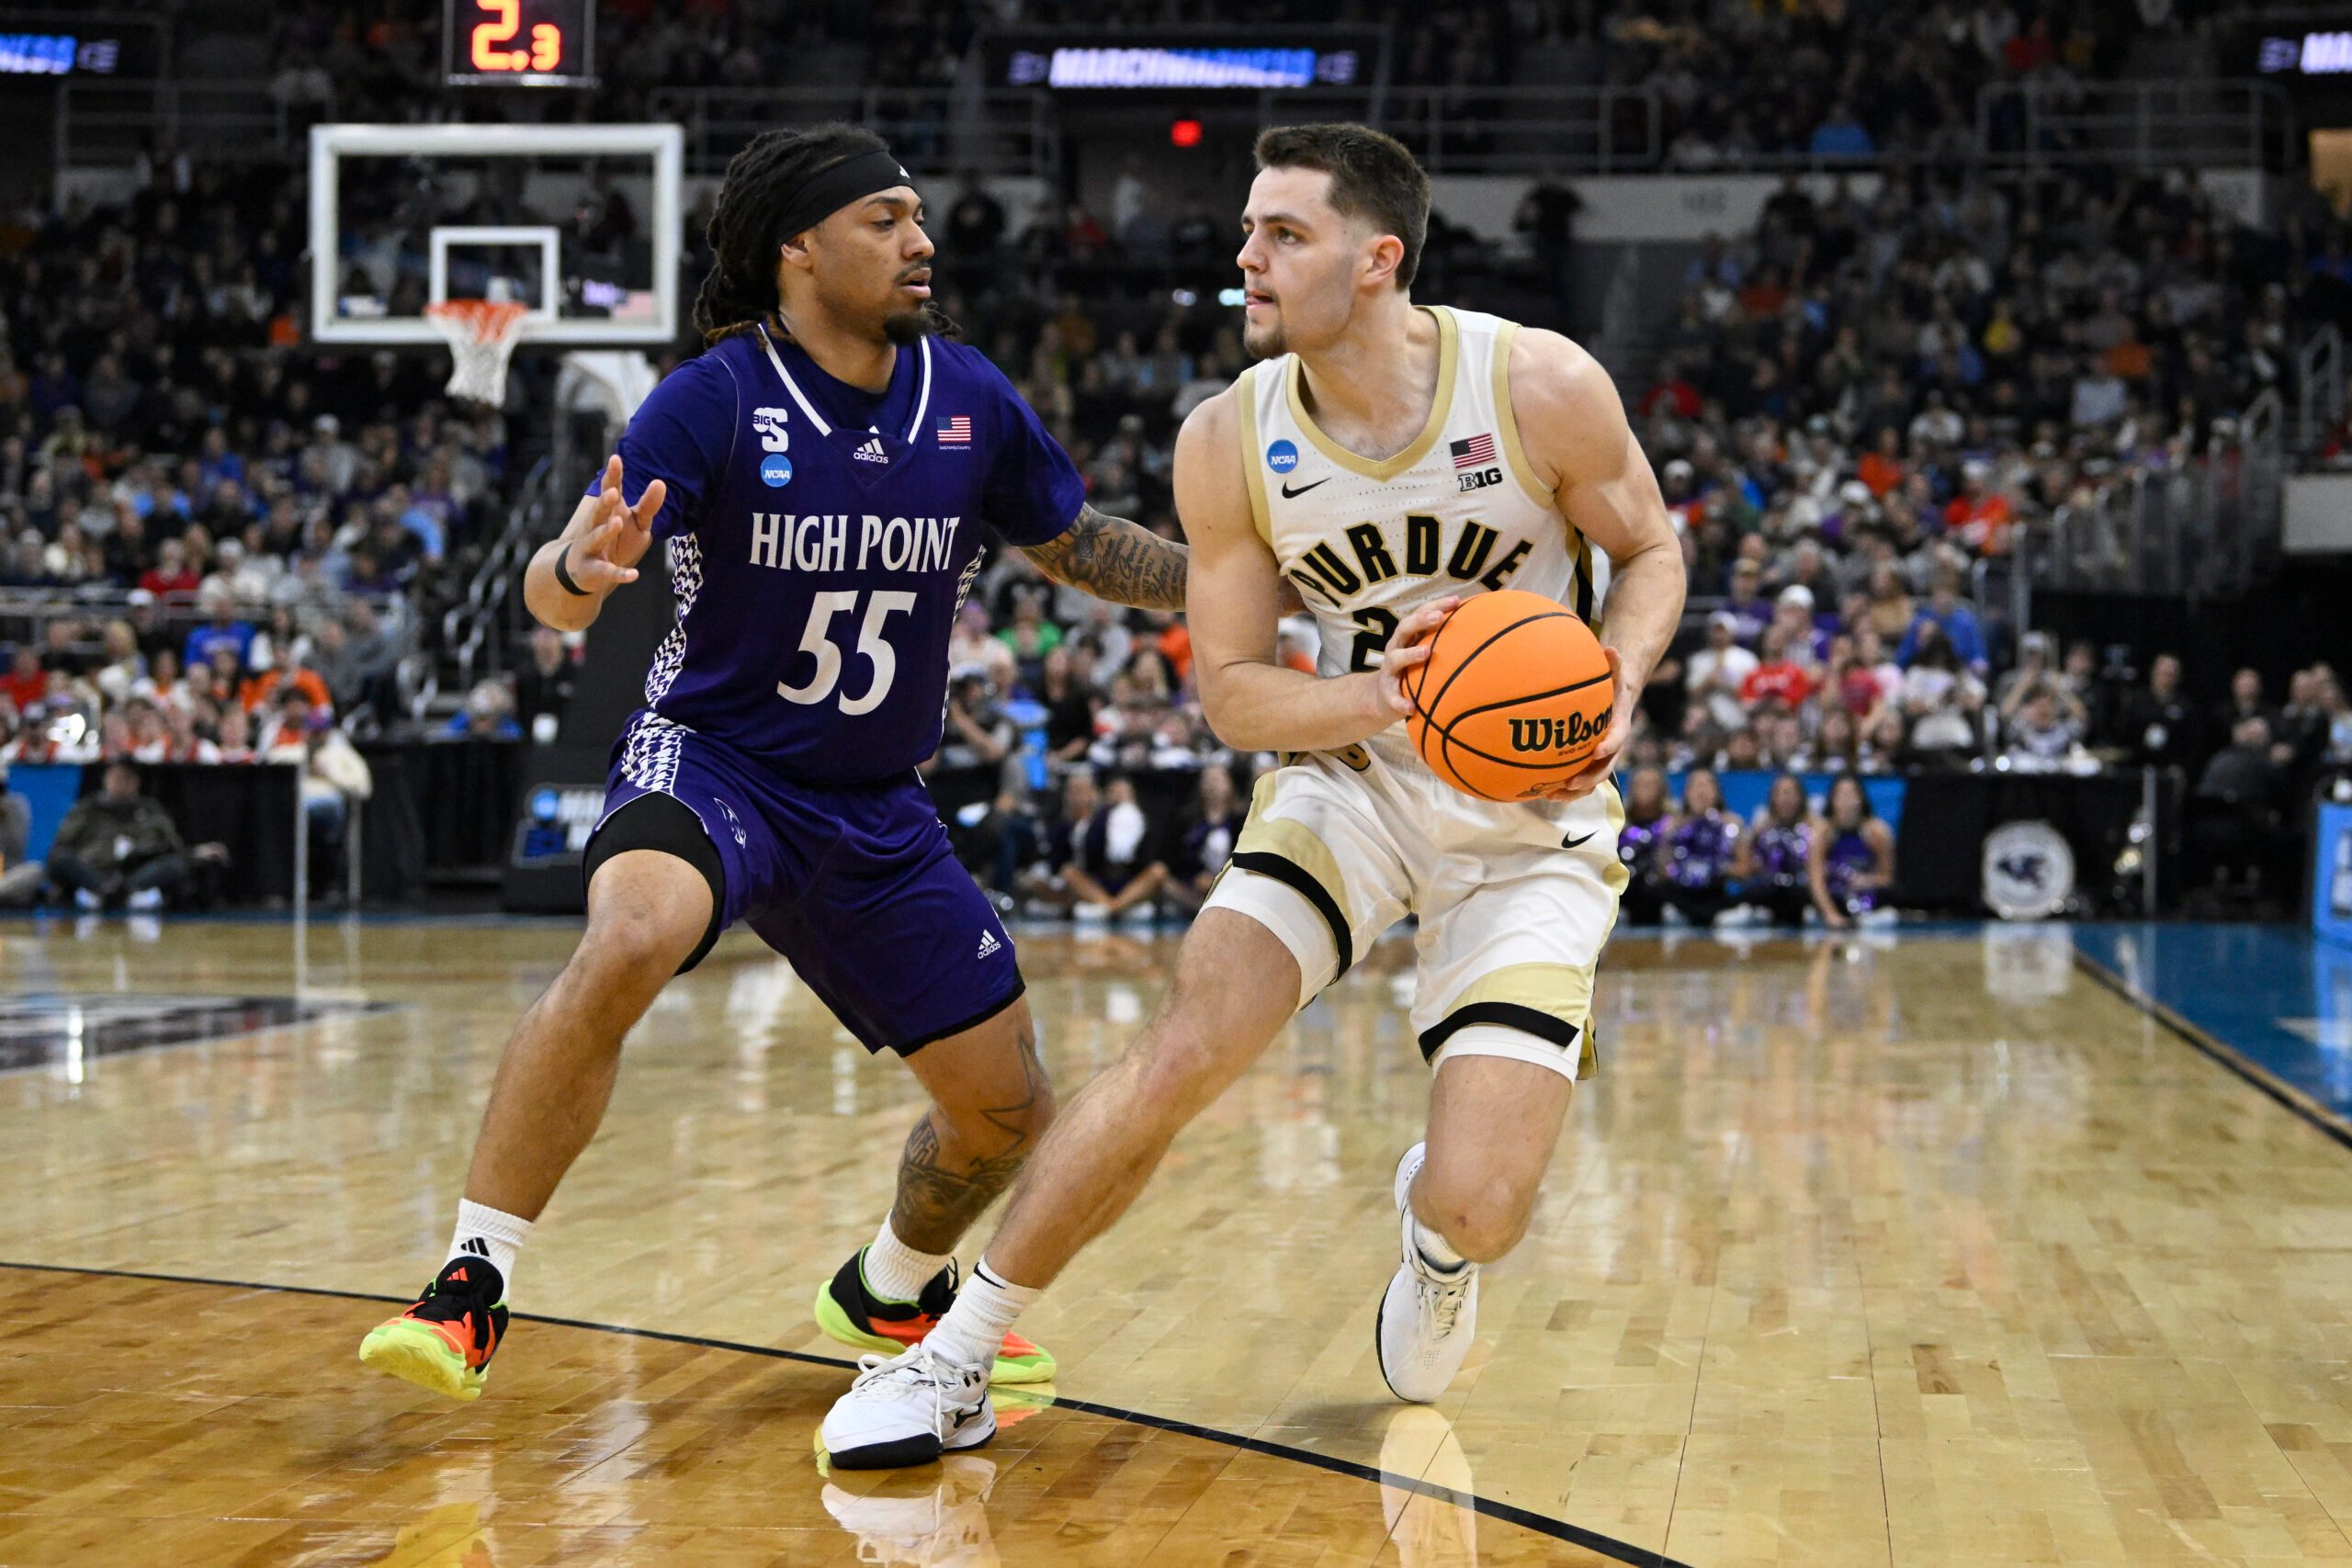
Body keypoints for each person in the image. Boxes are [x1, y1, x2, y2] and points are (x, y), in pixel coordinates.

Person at [822, 121, 1685, 1465]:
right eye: (1246, 232)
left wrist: (1618, 678)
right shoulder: (1230, 437)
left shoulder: (1538, 384)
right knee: (1185, 1040)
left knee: (1485, 1200)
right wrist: (1392, 700)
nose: (1248, 258)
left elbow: (1651, 550)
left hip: (1532, 824)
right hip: (1348, 776)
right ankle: (955, 1354)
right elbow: (1232, 689)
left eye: (1284, 234)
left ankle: (1439, 1241)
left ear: (1378, 258)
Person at [358, 124, 1193, 1406]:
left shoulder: (968, 394)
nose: (922, 242)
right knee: (633, 932)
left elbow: (1077, 543)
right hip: (720, 763)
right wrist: (581, 566)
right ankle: (474, 1272)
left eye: (920, 218)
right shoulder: (714, 396)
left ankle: (891, 1288)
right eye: (887, 219)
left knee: (1005, 1113)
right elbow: (560, 590)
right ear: (799, 248)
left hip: (878, 802)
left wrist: (1237, 582)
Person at [46, 761, 194, 912]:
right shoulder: (87, 809)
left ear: (137, 782)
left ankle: (118, 893)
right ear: (106, 779)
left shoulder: (151, 810)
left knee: (175, 864)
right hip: (95, 871)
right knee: (61, 858)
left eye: (128, 778)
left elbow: (175, 846)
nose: (122, 783)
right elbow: (61, 844)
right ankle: (107, 891)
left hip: (137, 873)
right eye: (117, 777)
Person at [1163, 761, 1248, 917]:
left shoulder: (1241, 819)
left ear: (1229, 784)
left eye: (1218, 780)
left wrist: (1220, 877)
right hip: (1194, 884)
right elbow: (1176, 858)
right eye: (1208, 780)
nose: (1213, 786)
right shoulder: (1188, 820)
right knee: (1162, 877)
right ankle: (1201, 909)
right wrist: (1195, 876)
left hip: (1230, 881)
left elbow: (1247, 857)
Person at [1809, 774, 1894, 927]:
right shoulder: (1823, 833)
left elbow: (1887, 878)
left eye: (1851, 795)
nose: (1846, 801)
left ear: (1861, 799)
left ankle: (1869, 917)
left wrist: (1867, 880)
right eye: (1841, 795)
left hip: (1867, 895)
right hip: (1835, 895)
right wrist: (1831, 914)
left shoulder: (1877, 832)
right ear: (1832, 800)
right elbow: (1816, 880)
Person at [1658, 767, 1740, 924]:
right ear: (1686, 793)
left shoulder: (1731, 823)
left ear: (1717, 793)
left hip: (1715, 892)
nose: (1701, 792)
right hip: (1681, 893)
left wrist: (1716, 867)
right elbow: (1662, 871)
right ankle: (1678, 912)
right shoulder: (1672, 824)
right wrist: (1683, 869)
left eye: (1707, 786)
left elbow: (1745, 868)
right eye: (1696, 786)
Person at [1739, 773, 1814, 926]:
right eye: (1781, 793)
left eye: (1791, 793)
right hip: (1770, 887)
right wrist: (1753, 835)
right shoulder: (1762, 827)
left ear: (1801, 798)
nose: (1786, 799)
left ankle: (1806, 912)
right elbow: (1747, 866)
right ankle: (1760, 912)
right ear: (1772, 799)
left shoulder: (1815, 827)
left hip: (1801, 888)